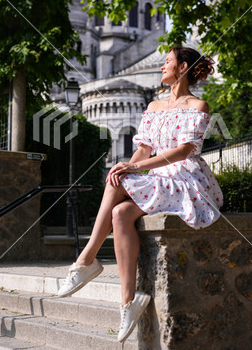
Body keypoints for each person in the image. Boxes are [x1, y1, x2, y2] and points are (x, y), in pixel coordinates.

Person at [57, 45, 224, 343]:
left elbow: (185, 150)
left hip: (186, 177)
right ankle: (128, 302)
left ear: (183, 68)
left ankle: (86, 259)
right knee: (120, 211)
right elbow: (144, 148)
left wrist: (136, 168)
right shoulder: (154, 107)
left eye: (168, 62)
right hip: (159, 174)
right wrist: (130, 165)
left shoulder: (199, 106)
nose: (162, 66)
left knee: (118, 179)